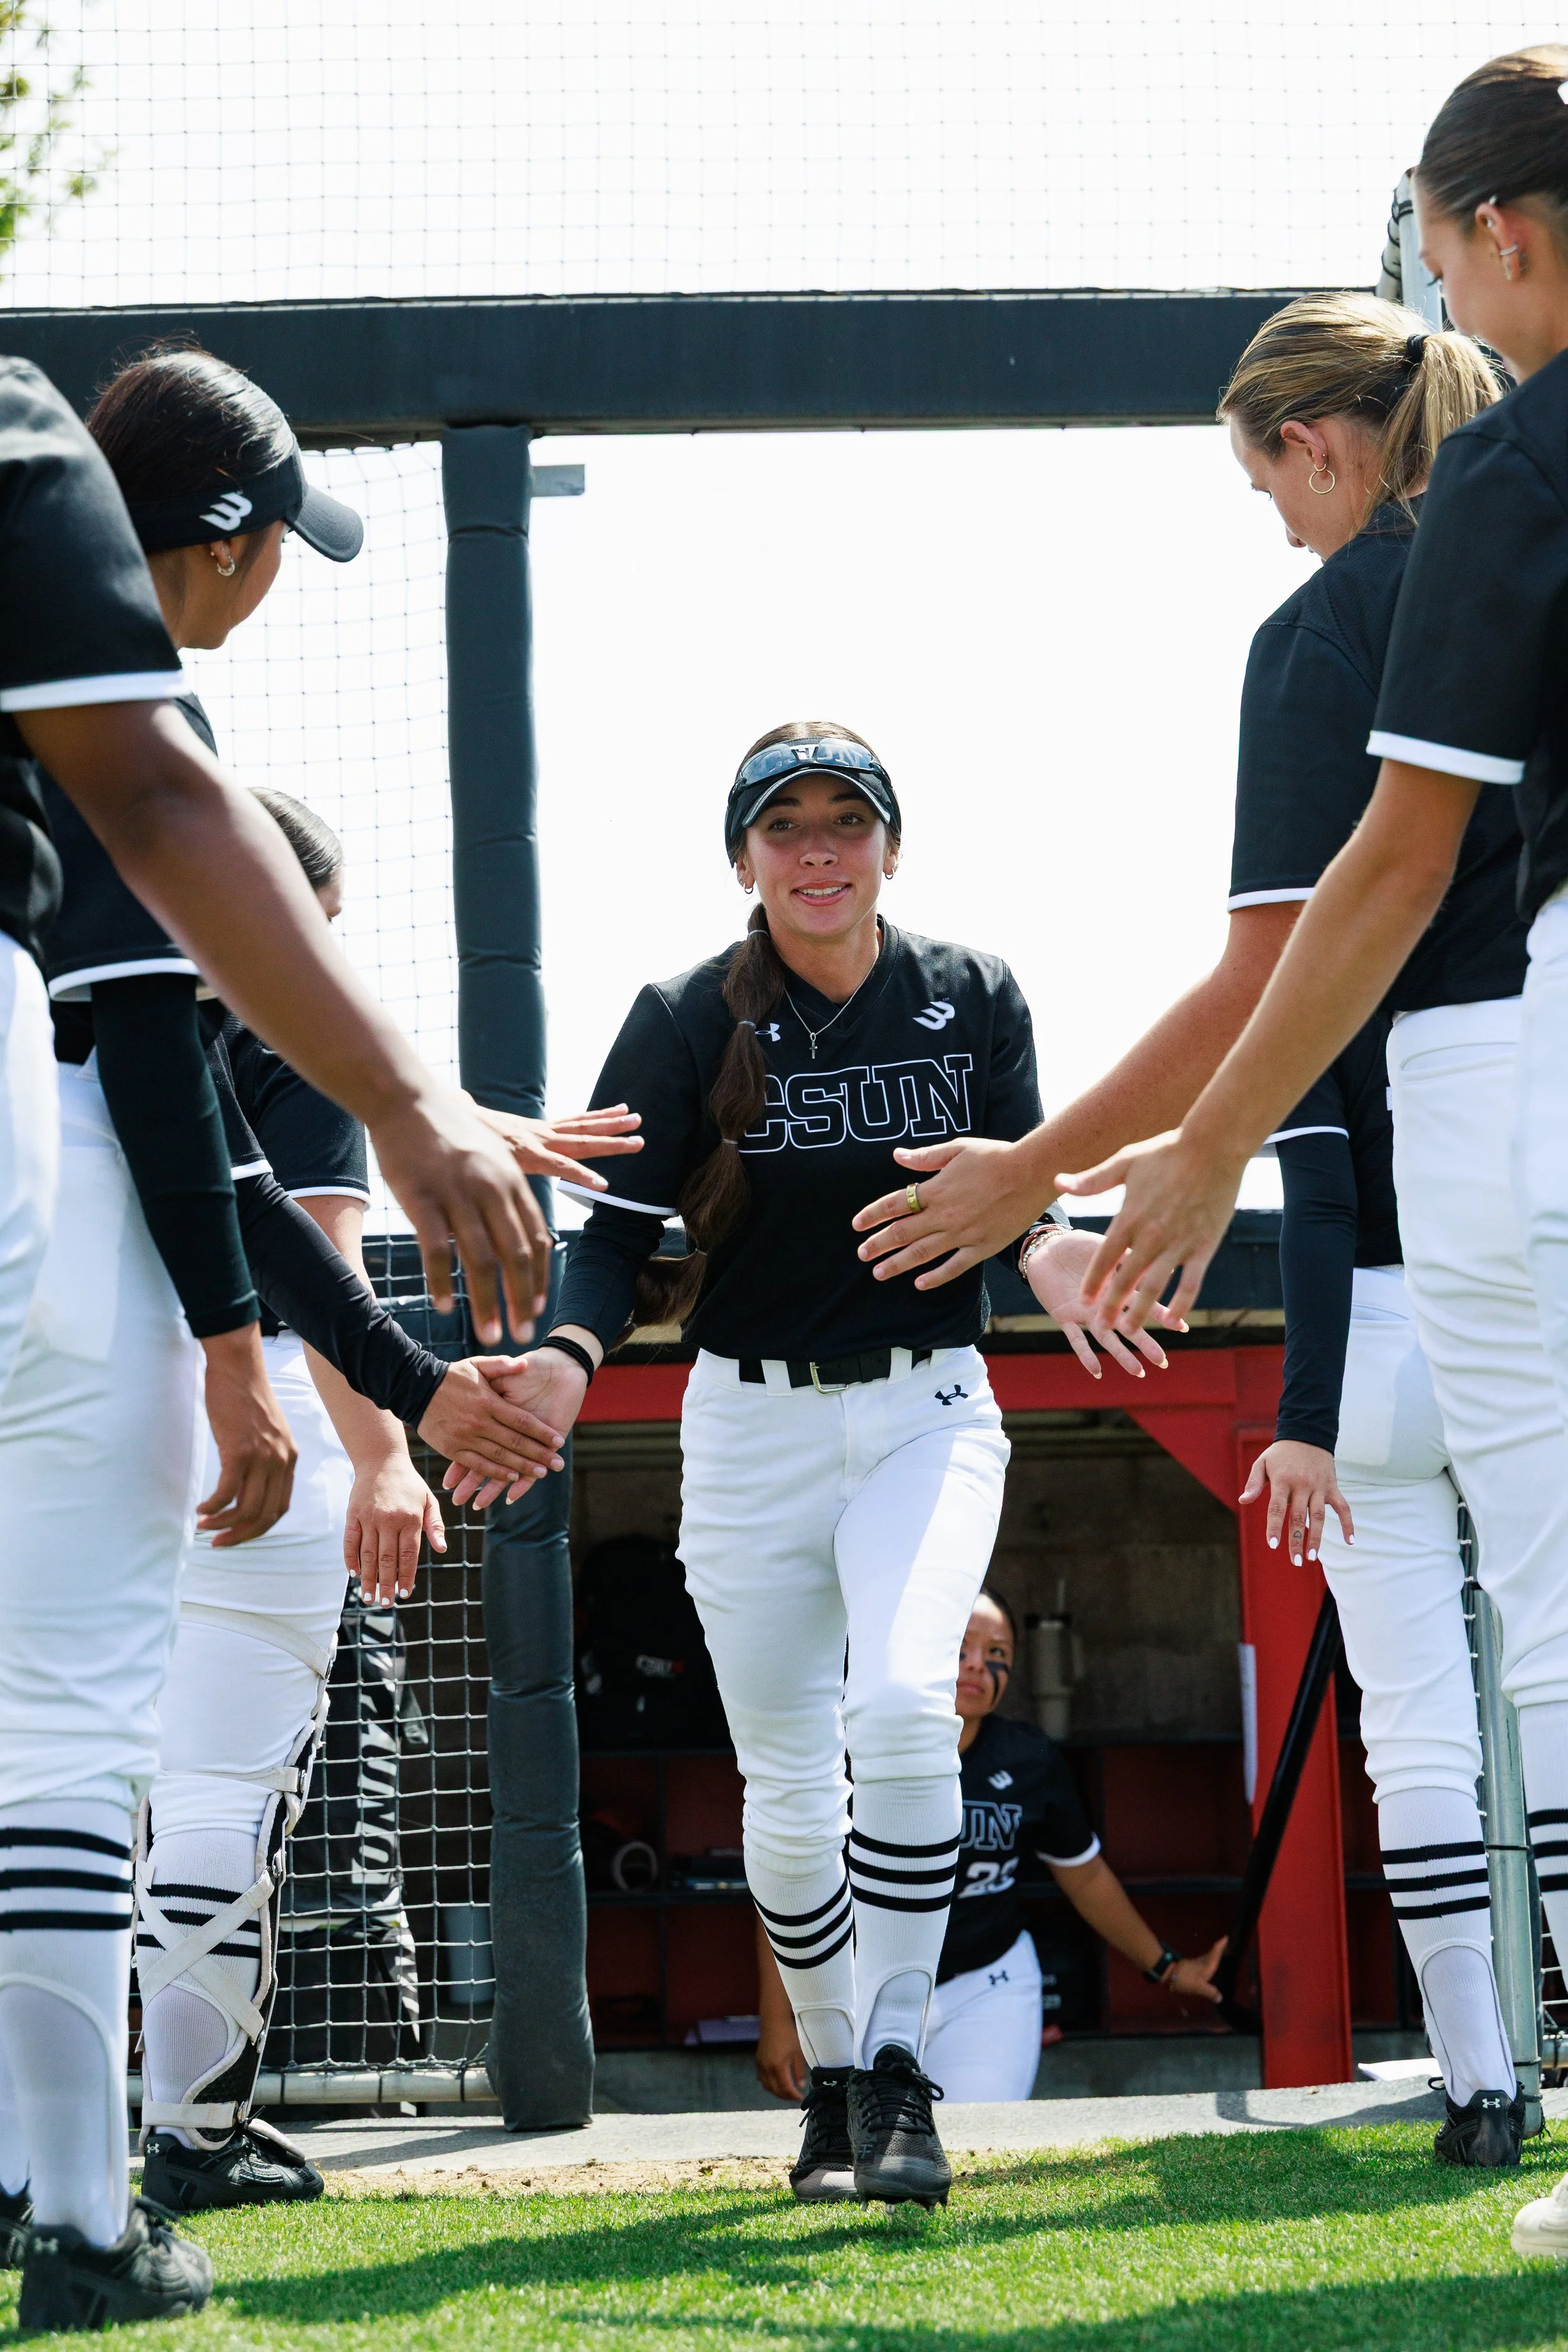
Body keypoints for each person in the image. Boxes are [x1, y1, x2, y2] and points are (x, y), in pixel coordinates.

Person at [0, 347, 627, 2331]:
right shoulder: (80, 616)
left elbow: (215, 1121)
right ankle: (77, 2208)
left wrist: (409, 1371)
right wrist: (249, 1333)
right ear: (220, 542)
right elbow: (156, 1064)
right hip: (55, 1185)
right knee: (63, 1720)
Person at [449, 721, 1046, 2209]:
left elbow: (1024, 1198)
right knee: (783, 1778)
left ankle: (898, 2069)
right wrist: (565, 1359)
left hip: (926, 1407)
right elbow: (608, 1238)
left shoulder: (973, 991)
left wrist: (1061, 1249)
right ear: (743, 859)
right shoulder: (677, 1014)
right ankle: (834, 2083)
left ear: (892, 847)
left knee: (903, 1704)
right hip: (747, 1422)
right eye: (787, 825)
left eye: (849, 819)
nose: (819, 849)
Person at [0, 358, 553, 1363]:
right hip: (65, 1172)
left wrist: (423, 1096)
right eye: (281, 538)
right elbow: (153, 1031)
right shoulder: (125, 702)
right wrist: (405, 1103)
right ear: (223, 543)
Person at [1246, 1013, 1521, 2163]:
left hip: (1368, 1353)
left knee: (1415, 1740)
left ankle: (1483, 2090)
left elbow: (1318, 1207)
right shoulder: (1521, 951)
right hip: (1509, 1323)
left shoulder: (1325, 983)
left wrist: (1303, 1424)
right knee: (1555, 1690)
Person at [755, 1591, 1222, 2120]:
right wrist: (779, 2019)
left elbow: (1086, 1878)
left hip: (987, 1985)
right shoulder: (848, 1746)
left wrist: (1167, 1968)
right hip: (863, 1989)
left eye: (997, 1652)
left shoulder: (1027, 1758)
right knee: (868, 2142)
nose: (978, 1663)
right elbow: (792, 1879)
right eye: (960, 1647)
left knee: (978, 2139)